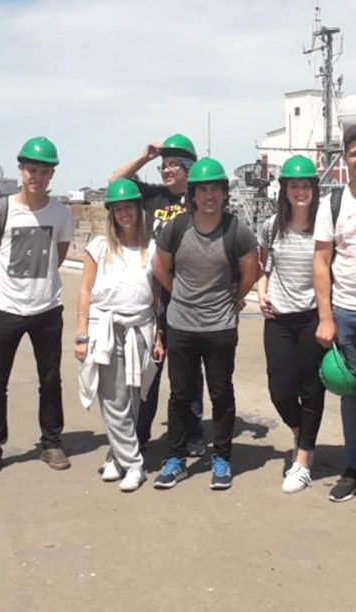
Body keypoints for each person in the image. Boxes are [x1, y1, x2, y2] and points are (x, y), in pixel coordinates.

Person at [151, 157, 258, 490]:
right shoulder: (177, 228)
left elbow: (250, 273)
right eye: (202, 190)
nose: (209, 196)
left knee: (221, 393)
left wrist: (234, 300)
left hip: (220, 328)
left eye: (215, 189)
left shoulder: (236, 230)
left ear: (223, 193)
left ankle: (222, 457)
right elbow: (161, 269)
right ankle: (176, 458)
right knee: (180, 395)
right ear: (192, 195)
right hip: (181, 325)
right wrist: (181, 297)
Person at [0, 136, 74, 478]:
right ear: (21, 170)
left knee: (50, 379)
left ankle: (51, 441)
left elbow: (59, 255)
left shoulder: (61, 213)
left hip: (47, 308)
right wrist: (6, 285)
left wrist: (38, 285)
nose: (38, 177)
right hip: (5, 309)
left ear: (52, 175)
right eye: (32, 169)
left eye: (45, 171)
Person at [109, 134, 206, 459]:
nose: (166, 170)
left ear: (189, 169)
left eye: (173, 165)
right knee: (149, 370)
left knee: (189, 372)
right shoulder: (152, 197)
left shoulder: (200, 199)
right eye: (164, 166)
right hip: (153, 295)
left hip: (188, 294)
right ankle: (140, 433)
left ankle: (193, 432)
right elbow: (114, 181)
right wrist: (145, 157)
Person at [311, 123, 356, 503]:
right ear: (346, 158)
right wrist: (326, 316)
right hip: (349, 312)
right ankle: (355, 469)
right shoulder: (332, 204)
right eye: (354, 153)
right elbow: (322, 261)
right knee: (351, 393)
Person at [75, 179, 162, 492]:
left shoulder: (151, 248)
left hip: (140, 327)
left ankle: (118, 454)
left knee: (135, 398)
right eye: (117, 208)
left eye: (129, 207)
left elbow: (155, 296)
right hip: (106, 328)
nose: (124, 213)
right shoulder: (99, 247)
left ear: (139, 210)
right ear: (110, 213)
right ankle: (135, 464)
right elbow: (85, 289)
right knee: (112, 398)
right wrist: (81, 333)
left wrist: (159, 336)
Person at [256, 155, 327, 494]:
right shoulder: (271, 226)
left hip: (313, 316)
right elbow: (264, 265)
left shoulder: (325, 227)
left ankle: (303, 459)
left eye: (306, 185)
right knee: (280, 389)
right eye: (294, 186)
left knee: (311, 388)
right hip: (279, 318)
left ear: (315, 189)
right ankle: (301, 432)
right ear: (284, 190)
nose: (300, 191)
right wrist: (260, 288)